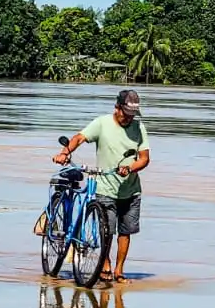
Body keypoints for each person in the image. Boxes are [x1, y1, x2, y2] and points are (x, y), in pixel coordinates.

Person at [53, 90, 151, 284]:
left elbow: (145, 158)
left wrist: (130, 168)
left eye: (132, 115)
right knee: (107, 231)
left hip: (131, 189)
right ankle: (104, 265)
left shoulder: (139, 128)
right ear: (117, 108)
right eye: (126, 114)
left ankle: (119, 270)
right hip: (105, 188)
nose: (128, 119)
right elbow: (79, 137)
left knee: (126, 232)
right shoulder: (102, 123)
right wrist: (65, 152)